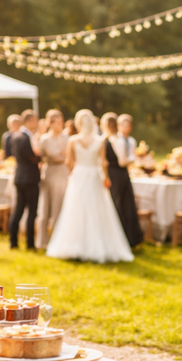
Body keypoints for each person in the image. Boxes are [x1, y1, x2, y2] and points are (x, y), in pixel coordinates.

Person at [46, 110, 133, 263]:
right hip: (93, 175)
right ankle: (97, 245)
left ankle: (75, 245)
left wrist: (71, 175)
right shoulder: (99, 141)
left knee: (76, 209)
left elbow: (68, 162)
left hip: (79, 175)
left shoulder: (73, 140)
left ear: (79, 123)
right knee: (96, 209)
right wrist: (105, 178)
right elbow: (103, 163)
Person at [102, 113, 144, 247]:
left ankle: (129, 238)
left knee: (125, 205)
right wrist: (136, 158)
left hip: (121, 175)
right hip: (117, 175)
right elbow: (122, 161)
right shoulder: (116, 140)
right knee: (119, 204)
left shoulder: (127, 141)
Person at [36, 109, 68, 248]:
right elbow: (54, 156)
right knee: (46, 208)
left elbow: (68, 156)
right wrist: (63, 154)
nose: (61, 125)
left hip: (63, 173)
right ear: (51, 123)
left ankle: (57, 240)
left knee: (60, 207)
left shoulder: (66, 138)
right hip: (50, 173)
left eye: (62, 122)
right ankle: (42, 241)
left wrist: (63, 155)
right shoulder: (45, 139)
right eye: (58, 122)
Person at [9, 110, 41, 251]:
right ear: (28, 121)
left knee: (18, 210)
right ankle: (30, 244)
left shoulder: (15, 135)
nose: (36, 123)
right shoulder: (25, 137)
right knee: (31, 212)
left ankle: (13, 242)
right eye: (35, 120)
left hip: (20, 176)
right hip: (29, 178)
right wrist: (41, 156)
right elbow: (32, 157)